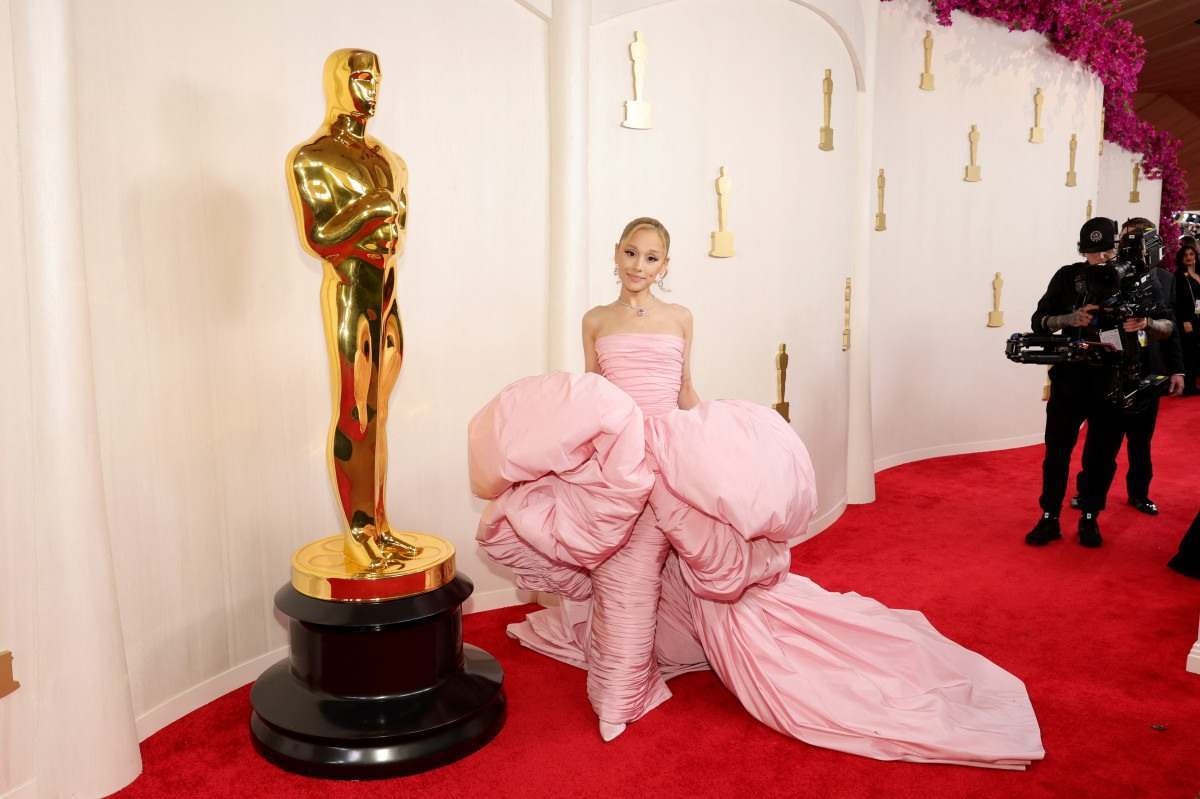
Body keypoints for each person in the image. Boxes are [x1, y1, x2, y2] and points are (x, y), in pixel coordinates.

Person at [468, 218, 1044, 768]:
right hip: (619, 464)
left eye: (651, 256)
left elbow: (686, 388)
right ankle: (620, 694)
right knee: (627, 573)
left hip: (672, 450)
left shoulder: (681, 316)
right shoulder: (595, 319)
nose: (639, 265)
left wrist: (716, 441)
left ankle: (644, 674)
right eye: (630, 252)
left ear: (666, 264)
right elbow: (593, 393)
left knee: (694, 565)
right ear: (615, 254)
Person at [1026, 218, 1132, 548]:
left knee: (1101, 455)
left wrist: (1141, 323)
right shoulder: (1067, 277)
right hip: (1069, 378)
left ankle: (1089, 516)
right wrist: (1069, 319)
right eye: (1092, 251)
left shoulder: (1130, 279)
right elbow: (1038, 321)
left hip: (1111, 380)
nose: (1099, 257)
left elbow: (1161, 324)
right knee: (1057, 451)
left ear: (1116, 247)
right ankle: (1049, 517)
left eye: (1105, 250)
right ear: (1082, 250)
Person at [1070, 218, 1183, 517]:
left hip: (1148, 369)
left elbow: (1172, 329)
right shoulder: (1106, 276)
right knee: (1099, 443)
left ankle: (1139, 493)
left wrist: (1177, 370)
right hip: (1109, 370)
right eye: (1125, 241)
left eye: (1135, 241)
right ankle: (1087, 493)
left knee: (1140, 443)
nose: (1129, 248)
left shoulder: (1165, 280)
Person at [1175, 243, 1200, 395]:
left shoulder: (1199, 273)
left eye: (1191, 254)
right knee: (1189, 351)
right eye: (1186, 255)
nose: (1189, 257)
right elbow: (1178, 300)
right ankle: (1189, 386)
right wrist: (1184, 320)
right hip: (1188, 319)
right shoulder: (1178, 276)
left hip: (1199, 316)